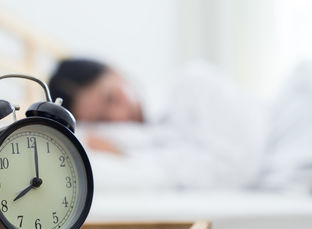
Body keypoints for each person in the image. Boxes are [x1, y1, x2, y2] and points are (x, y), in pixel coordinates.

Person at [48, 58, 266, 188]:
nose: (118, 117)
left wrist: (130, 157)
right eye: (102, 120)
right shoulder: (125, 143)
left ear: (116, 73)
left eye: (111, 98)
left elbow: (239, 165)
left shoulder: (192, 84)